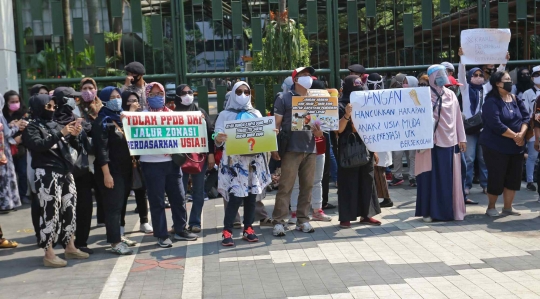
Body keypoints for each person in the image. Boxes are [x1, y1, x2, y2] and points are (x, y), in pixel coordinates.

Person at [22, 94, 89, 267]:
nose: (52, 110)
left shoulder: (56, 124)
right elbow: (38, 145)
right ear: (38, 107)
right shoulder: (31, 127)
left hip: (65, 171)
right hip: (46, 173)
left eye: (53, 107)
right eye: (48, 107)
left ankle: (70, 246)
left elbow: (70, 146)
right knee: (50, 212)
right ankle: (49, 253)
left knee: (69, 209)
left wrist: (74, 135)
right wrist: (61, 133)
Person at [139, 82, 198, 248]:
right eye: (152, 94)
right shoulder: (140, 116)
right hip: (151, 164)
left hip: (172, 163)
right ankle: (161, 234)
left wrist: (196, 122)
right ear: (147, 96)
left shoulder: (172, 115)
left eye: (160, 94)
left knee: (179, 198)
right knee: (157, 201)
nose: (157, 97)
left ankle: (180, 230)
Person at [214, 81, 272, 246]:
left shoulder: (256, 113)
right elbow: (215, 134)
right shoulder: (225, 114)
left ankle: (249, 228)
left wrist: (270, 133)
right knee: (235, 197)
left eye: (246, 91)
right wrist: (218, 137)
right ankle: (227, 231)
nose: (243, 95)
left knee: (252, 196)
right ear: (233, 93)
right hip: (235, 163)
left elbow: (263, 133)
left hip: (253, 161)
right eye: (239, 91)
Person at [271, 66, 324, 236]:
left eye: (310, 75)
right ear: (295, 80)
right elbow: (276, 126)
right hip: (291, 149)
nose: (309, 78)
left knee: (307, 186)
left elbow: (321, 125)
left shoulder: (315, 100)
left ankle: (303, 220)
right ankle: (279, 221)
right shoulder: (284, 99)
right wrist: (274, 147)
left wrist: (319, 132)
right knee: (286, 186)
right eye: (304, 75)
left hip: (310, 148)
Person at [415, 65, 467, 222]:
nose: (442, 76)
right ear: (430, 77)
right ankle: (428, 212)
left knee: (447, 178)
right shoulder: (422, 95)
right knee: (428, 177)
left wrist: (461, 138)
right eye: (438, 74)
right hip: (429, 143)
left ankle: (447, 211)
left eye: (443, 73)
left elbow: (457, 118)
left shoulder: (451, 95)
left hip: (450, 142)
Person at [93, 86, 139, 255]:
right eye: (112, 97)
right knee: (113, 207)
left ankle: (119, 234)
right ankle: (114, 242)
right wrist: (106, 174)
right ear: (104, 100)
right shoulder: (102, 121)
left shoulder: (121, 119)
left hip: (125, 169)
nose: (116, 99)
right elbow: (101, 151)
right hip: (111, 171)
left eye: (118, 96)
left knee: (121, 205)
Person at [52, 86, 98, 254]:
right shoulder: (50, 121)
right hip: (60, 172)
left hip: (81, 170)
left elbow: (86, 141)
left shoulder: (78, 118)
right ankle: (65, 240)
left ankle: (82, 242)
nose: (75, 101)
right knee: (62, 208)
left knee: (85, 206)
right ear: (64, 100)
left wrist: (79, 132)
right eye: (72, 98)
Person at [481, 71, 529, 217]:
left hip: (516, 147)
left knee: (514, 178)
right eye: (506, 80)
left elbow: (526, 117)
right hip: (496, 147)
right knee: (497, 177)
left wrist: (521, 134)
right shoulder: (491, 102)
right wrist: (515, 136)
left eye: (510, 79)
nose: (510, 82)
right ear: (497, 83)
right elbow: (496, 124)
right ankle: (491, 207)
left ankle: (508, 207)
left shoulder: (515, 99)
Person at [337, 75, 381, 228]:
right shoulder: (340, 105)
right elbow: (338, 129)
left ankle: (367, 215)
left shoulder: (366, 104)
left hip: (366, 147)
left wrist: (374, 150)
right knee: (348, 182)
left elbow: (371, 127)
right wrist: (347, 115)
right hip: (347, 149)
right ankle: (346, 217)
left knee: (367, 180)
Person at [174, 84, 216, 233]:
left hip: (199, 158)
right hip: (179, 160)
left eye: (190, 92)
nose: (187, 95)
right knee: (179, 193)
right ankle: (179, 223)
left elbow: (211, 134)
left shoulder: (200, 112)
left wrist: (211, 153)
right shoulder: (172, 115)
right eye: (183, 93)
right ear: (178, 96)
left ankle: (195, 222)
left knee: (198, 191)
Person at [120, 91, 153, 233]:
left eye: (136, 100)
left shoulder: (143, 116)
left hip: (139, 159)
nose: (134, 103)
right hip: (122, 160)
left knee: (141, 191)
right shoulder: (119, 116)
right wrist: (130, 113)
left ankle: (144, 221)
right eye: (130, 101)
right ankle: (120, 225)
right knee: (122, 194)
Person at [364, 73, 395, 208]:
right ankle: (378, 197)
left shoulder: (367, 98)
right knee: (377, 168)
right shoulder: (385, 97)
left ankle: (386, 198)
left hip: (379, 138)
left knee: (379, 169)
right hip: (380, 137)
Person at [78, 78, 106, 227]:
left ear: (96, 89)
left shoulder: (102, 107)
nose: (88, 91)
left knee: (101, 186)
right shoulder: (77, 108)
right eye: (84, 88)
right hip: (83, 152)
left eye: (91, 88)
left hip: (99, 150)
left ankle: (102, 217)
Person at [390, 76, 418, 188]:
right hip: (399, 129)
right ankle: (397, 176)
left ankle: (413, 176)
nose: (405, 84)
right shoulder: (397, 95)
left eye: (407, 82)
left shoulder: (417, 96)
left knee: (412, 155)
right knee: (397, 154)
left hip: (412, 130)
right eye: (404, 82)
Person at [2, 90, 30, 204]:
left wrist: (20, 137)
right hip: (6, 149)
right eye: (12, 101)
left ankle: (23, 195)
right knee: (7, 174)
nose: (15, 103)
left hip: (20, 148)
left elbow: (28, 130)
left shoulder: (23, 114)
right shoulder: (2, 115)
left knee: (22, 172)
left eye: (17, 101)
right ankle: (10, 198)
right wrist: (11, 126)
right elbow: (4, 131)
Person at [0, 92, 23, 213]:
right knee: (5, 177)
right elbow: (6, 132)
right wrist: (16, 127)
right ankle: (6, 203)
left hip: (4, 149)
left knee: (8, 176)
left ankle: (10, 202)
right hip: (2, 150)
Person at [523, 66, 540, 191]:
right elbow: (524, 111)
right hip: (534, 127)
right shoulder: (527, 93)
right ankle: (530, 180)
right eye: (536, 74)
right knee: (532, 156)